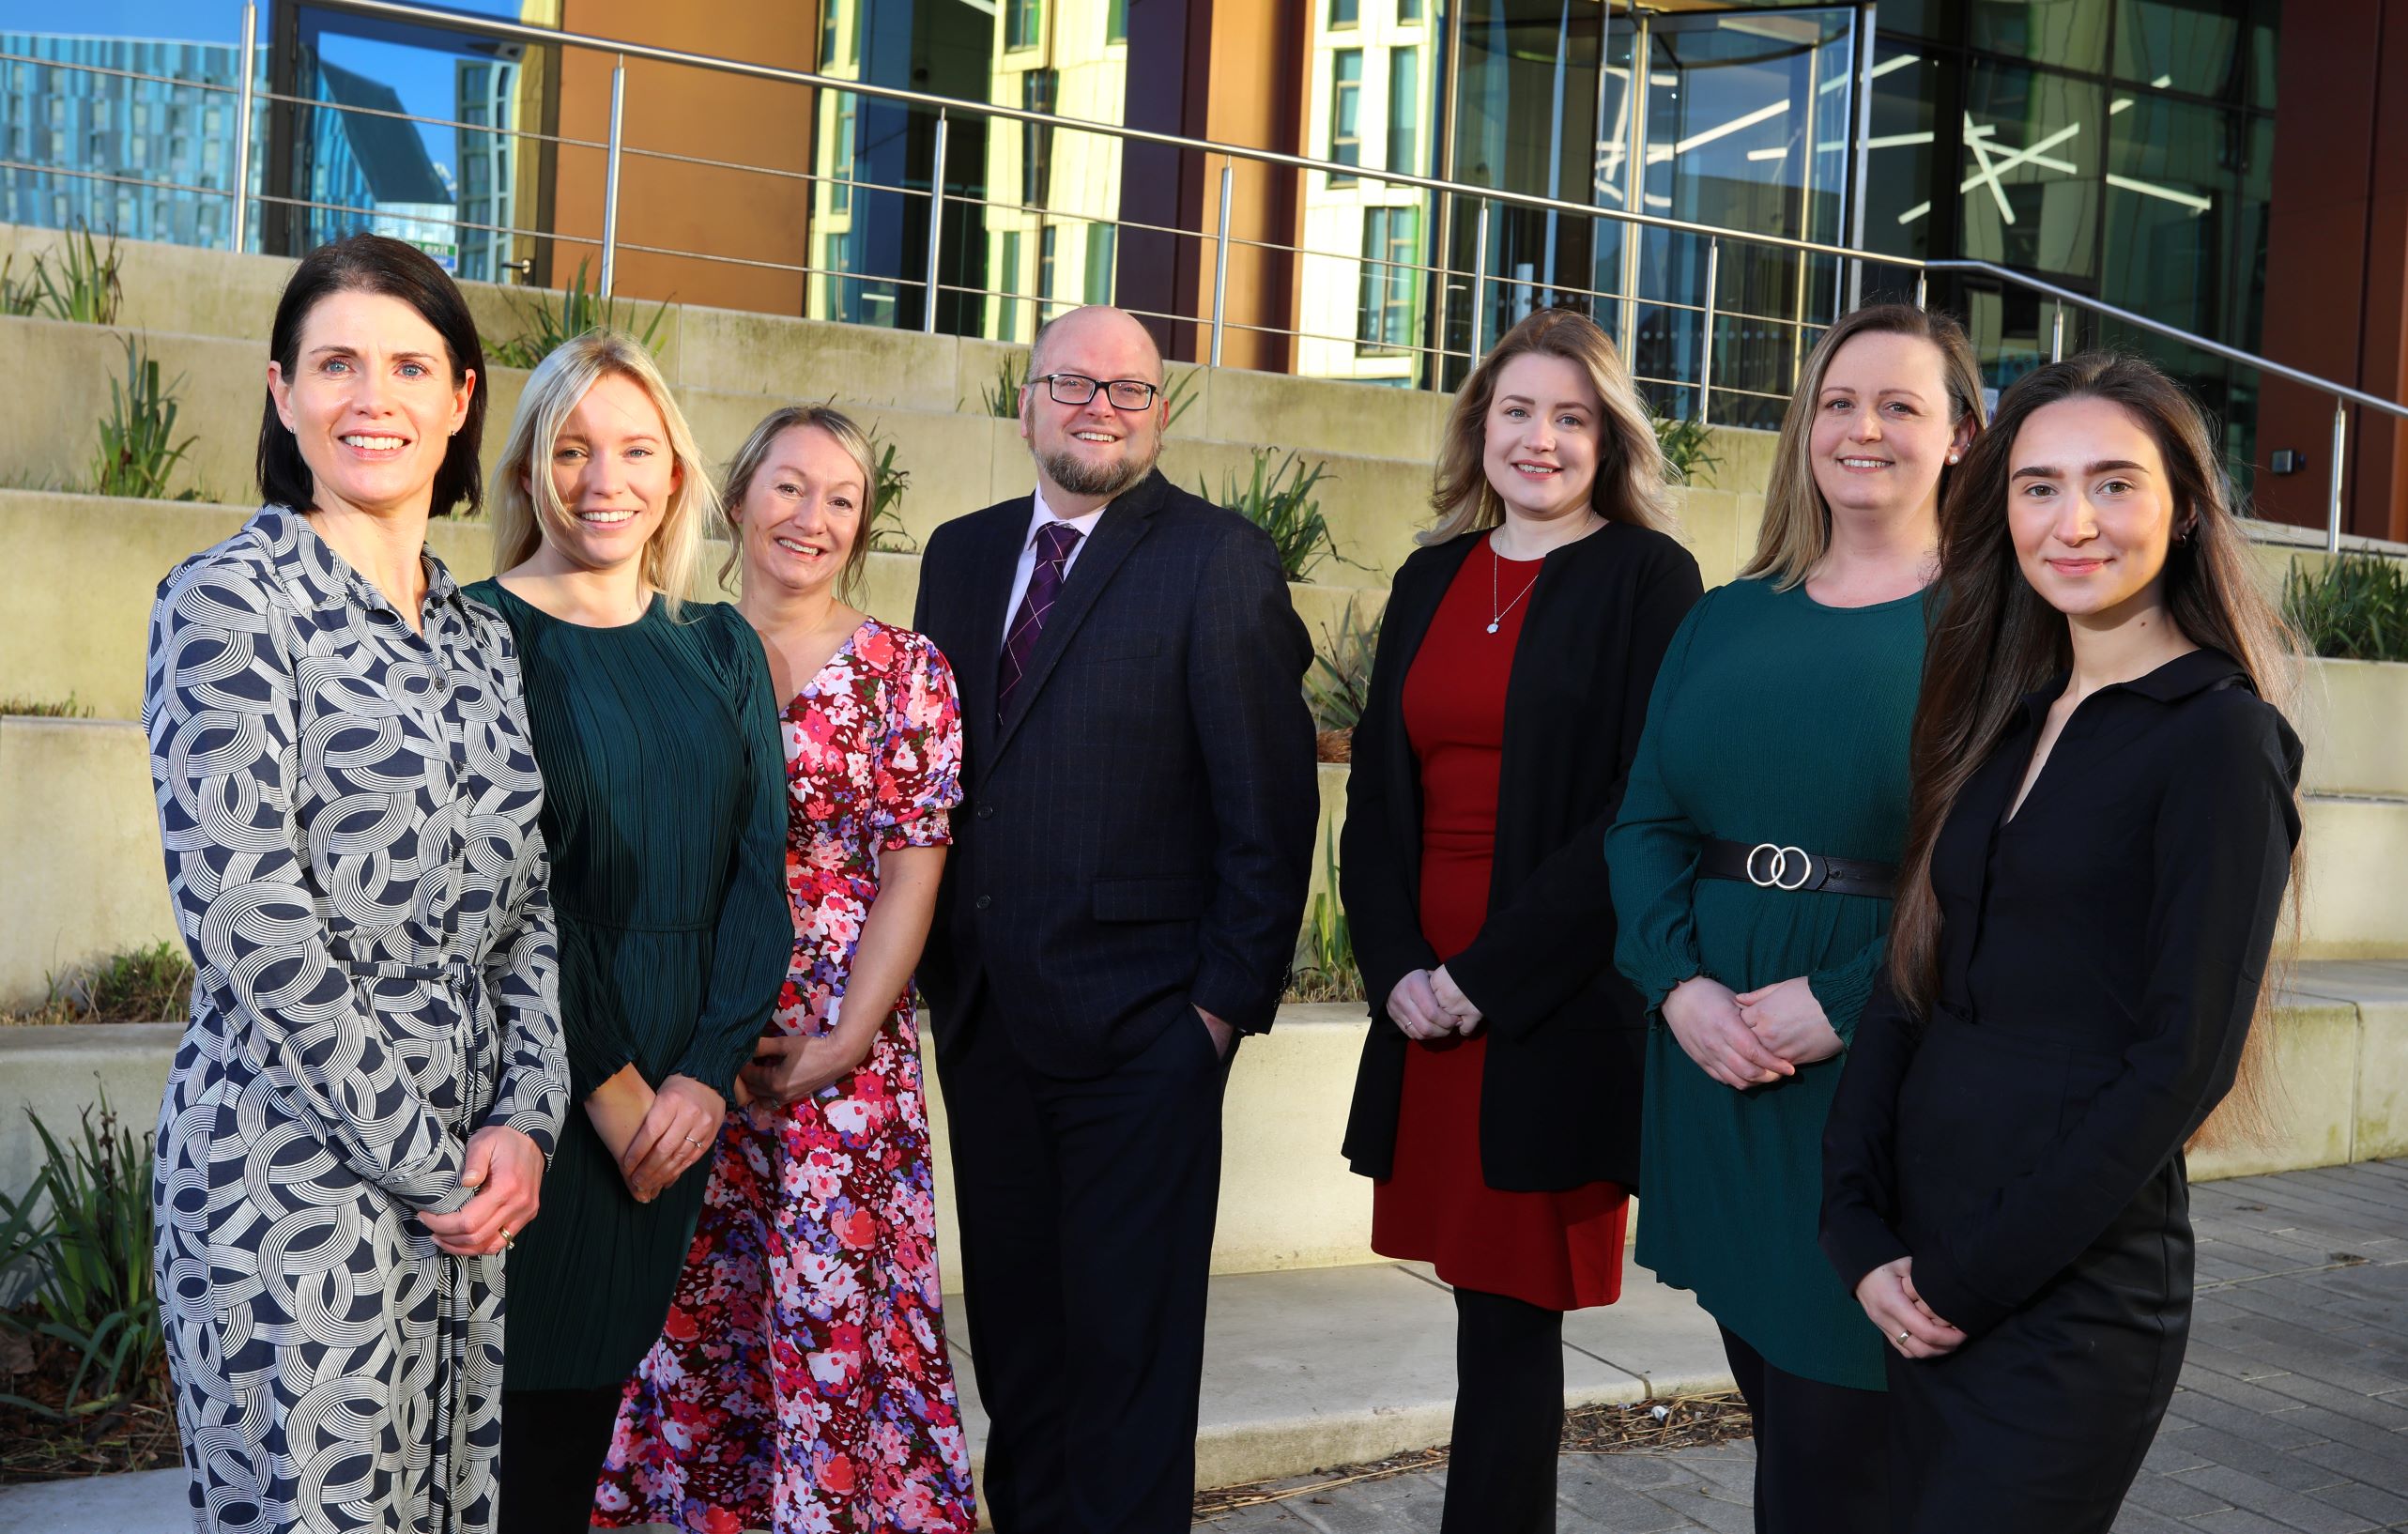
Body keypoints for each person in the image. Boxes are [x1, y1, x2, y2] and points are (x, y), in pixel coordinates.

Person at [1820, 353, 2302, 1533]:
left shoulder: (2220, 740)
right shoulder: (2010, 713)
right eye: (2037, 487)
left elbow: (2180, 1061)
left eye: (2112, 484)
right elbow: (1912, 971)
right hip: (1922, 1266)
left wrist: (1965, 1279)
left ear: (2184, 508)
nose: (2071, 522)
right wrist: (1854, 1218)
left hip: (2065, 1299)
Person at [146, 233, 564, 1534]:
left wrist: (525, 1125)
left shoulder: (485, 632)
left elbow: (528, 906)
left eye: (406, 365)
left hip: (470, 1189)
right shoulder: (229, 603)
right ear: (282, 393)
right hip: (291, 1176)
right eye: (335, 363)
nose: (369, 397)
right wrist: (428, 1162)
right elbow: (250, 919)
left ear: (459, 398)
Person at [911, 304, 1317, 1533]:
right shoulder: (961, 552)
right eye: (1073, 384)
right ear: (1025, 401)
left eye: (1128, 390)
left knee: (1129, 1365)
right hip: (987, 1028)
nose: (1100, 406)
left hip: (1144, 1038)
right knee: (1021, 1355)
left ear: (1161, 412)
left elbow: (1270, 803)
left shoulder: (1216, 558)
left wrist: (1212, 1016)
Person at [1606, 303, 1986, 1534]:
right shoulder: (1728, 613)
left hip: (1873, 1070)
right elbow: (1646, 823)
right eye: (1836, 400)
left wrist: (1838, 1004)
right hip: (1716, 1066)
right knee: (1778, 1409)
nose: (1860, 426)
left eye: (1898, 404)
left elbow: (2003, 876)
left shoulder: (1995, 629)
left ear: (1962, 439)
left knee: (1839, 1452)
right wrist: (1676, 985)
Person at [1337, 308, 1701, 1533]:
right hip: (1421, 993)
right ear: (1476, 428)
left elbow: (1636, 810)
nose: (1539, 439)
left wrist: (1482, 977)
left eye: (1570, 417)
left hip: (1542, 999)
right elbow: (1378, 793)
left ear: (1609, 439)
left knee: (1509, 1317)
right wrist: (1395, 967)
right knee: (1471, 1299)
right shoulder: (1430, 575)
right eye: (1516, 412)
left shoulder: (1648, 579)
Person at [597, 405, 975, 1533]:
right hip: (684, 1041)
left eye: (842, 499)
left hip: (839, 1046)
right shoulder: (669, 647)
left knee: (836, 1313)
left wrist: (847, 1040)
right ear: (737, 495)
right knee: (689, 1318)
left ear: (862, 527)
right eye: (789, 487)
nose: (812, 517)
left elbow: (915, 866)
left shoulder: (907, 671)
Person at [461, 332, 791, 1533]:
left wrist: (705, 1075)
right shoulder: (476, 632)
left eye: (635, 449)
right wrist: (606, 1086)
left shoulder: (718, 646)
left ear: (674, 473)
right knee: (507, 1442)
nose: (606, 478)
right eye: (573, 446)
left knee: (577, 1428)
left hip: (677, 1108)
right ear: (529, 471)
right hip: (540, 1096)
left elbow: (761, 879)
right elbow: (505, 888)